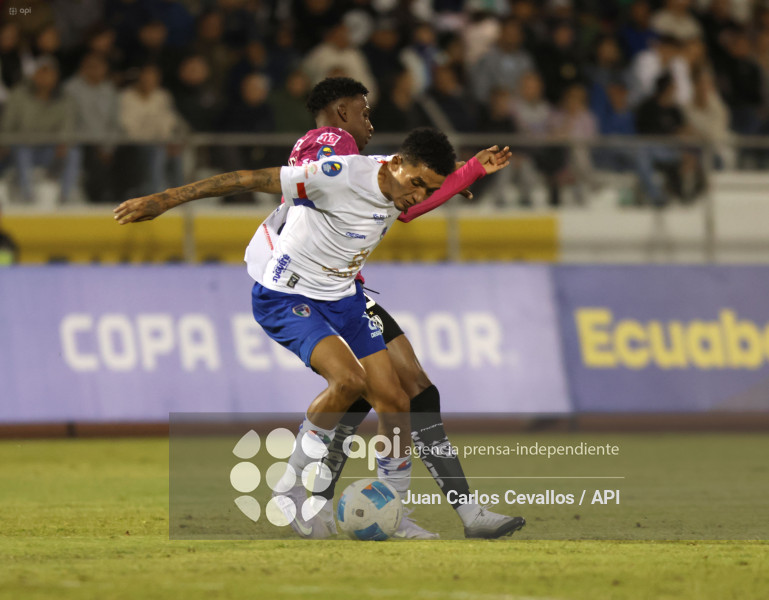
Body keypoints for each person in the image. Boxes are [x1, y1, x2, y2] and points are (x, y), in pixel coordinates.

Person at [115, 126, 510, 539]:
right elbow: (247, 179)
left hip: (345, 299)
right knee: (350, 381)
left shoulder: (403, 188)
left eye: (426, 189)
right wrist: (164, 199)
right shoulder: (337, 176)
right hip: (286, 295)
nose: (417, 196)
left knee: (395, 402)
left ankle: (393, 513)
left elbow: (421, 198)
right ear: (395, 164)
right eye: (416, 184)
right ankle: (289, 489)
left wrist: (471, 172)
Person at [279, 77, 524, 539]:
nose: (370, 120)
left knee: (410, 390)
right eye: (364, 111)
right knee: (378, 392)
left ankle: (450, 512)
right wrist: (460, 176)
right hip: (317, 288)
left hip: (346, 288)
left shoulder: (350, 159)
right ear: (342, 111)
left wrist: (463, 174)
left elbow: (404, 202)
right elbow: (337, 185)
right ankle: (314, 502)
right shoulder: (330, 143)